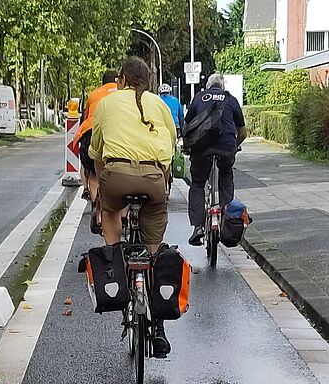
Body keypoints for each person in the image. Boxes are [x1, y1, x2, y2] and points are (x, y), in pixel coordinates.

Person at [89, 56, 176, 355]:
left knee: (110, 211)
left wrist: (102, 184)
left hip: (115, 176)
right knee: (154, 247)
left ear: (122, 79)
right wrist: (162, 180)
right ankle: (158, 328)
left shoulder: (106, 104)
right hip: (153, 178)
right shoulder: (160, 105)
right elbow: (171, 145)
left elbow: (96, 150)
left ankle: (115, 259)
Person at [184, 73, 247, 247]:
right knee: (225, 176)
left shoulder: (198, 98)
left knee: (197, 184)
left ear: (208, 86)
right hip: (226, 149)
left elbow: (187, 126)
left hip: (201, 150)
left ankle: (198, 227)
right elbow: (243, 132)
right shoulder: (231, 99)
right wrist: (234, 146)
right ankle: (229, 221)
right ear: (222, 86)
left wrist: (188, 146)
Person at [73, 70, 118, 213]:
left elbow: (86, 117)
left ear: (102, 82)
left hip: (92, 131)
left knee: (93, 173)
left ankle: (95, 207)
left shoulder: (94, 94)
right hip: (117, 133)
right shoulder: (123, 93)